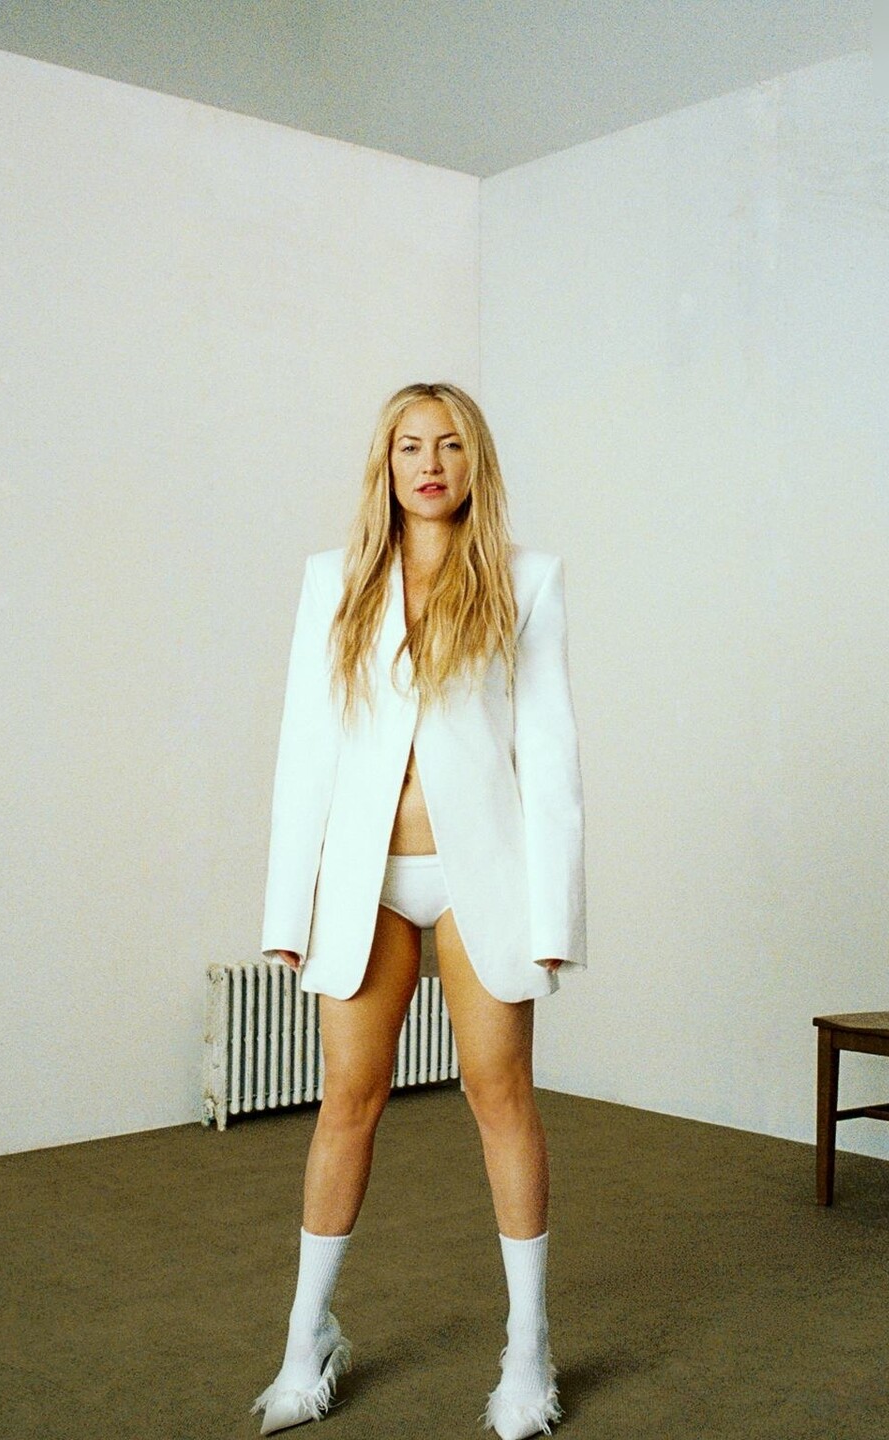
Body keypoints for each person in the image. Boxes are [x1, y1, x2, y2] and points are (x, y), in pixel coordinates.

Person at [250, 382, 587, 1439]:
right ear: (385, 463)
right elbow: (305, 749)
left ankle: (527, 1350)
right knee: (347, 1103)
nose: (429, 464)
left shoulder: (527, 581)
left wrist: (555, 919)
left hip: (483, 877)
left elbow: (551, 758)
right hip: (366, 882)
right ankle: (307, 1339)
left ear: (473, 461)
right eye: (409, 446)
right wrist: (287, 907)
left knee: (500, 1096)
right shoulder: (334, 580)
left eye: (447, 445)